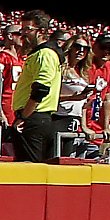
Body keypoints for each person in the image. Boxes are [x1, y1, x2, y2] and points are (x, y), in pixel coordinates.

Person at [11, 13, 65, 162]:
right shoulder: (40, 53)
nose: (23, 34)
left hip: (34, 118)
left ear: (41, 31)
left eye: (27, 29)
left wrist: (23, 117)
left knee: (29, 169)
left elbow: (40, 89)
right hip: (35, 117)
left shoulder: (45, 54)